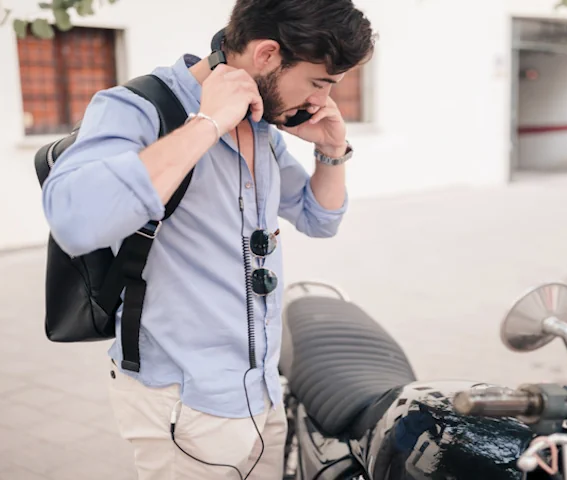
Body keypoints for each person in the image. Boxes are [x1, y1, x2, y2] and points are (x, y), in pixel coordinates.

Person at [40, 0, 376, 478]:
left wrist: (331, 150)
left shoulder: (262, 126)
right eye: (319, 82)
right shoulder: (135, 107)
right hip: (185, 403)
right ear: (266, 56)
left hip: (261, 391)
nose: (321, 99)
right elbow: (75, 219)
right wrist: (208, 121)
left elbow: (319, 218)